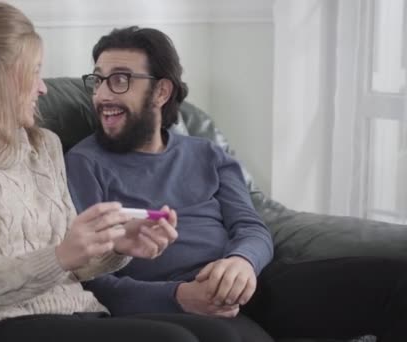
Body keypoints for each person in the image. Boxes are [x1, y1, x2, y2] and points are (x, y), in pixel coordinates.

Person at [0, 3, 249, 342]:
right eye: (34, 72)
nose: (43, 88)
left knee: (220, 334)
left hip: (73, 311)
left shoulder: (43, 146)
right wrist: (59, 256)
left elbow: (74, 263)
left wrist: (117, 246)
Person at [65, 25, 407, 342]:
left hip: (254, 283)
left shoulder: (207, 154)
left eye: (120, 80)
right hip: (179, 304)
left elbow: (251, 225)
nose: (103, 95)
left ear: (161, 91)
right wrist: (178, 296)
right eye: (98, 81)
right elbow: (91, 278)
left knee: (395, 281)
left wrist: (243, 261)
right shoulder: (84, 163)